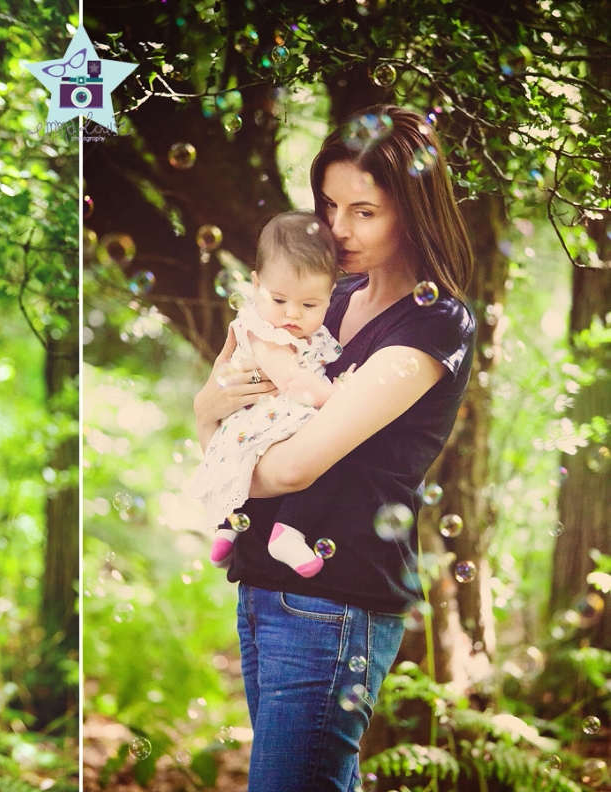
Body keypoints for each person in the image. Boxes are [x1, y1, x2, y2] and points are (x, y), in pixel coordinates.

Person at [193, 105, 476, 792]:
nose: (338, 229)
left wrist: (217, 455)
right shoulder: (324, 297)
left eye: (364, 211)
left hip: (336, 600)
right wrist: (208, 412)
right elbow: (218, 411)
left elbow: (295, 463)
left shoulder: (435, 324)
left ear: (409, 209)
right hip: (265, 582)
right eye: (327, 206)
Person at [187, 211, 343, 576]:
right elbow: (293, 383)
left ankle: (229, 527)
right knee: (332, 447)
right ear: (256, 285)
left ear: (330, 293)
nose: (292, 314)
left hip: (267, 413)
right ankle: (286, 531)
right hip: (267, 412)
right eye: (279, 300)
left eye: (309, 305)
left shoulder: (303, 327)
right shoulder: (262, 331)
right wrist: (341, 396)